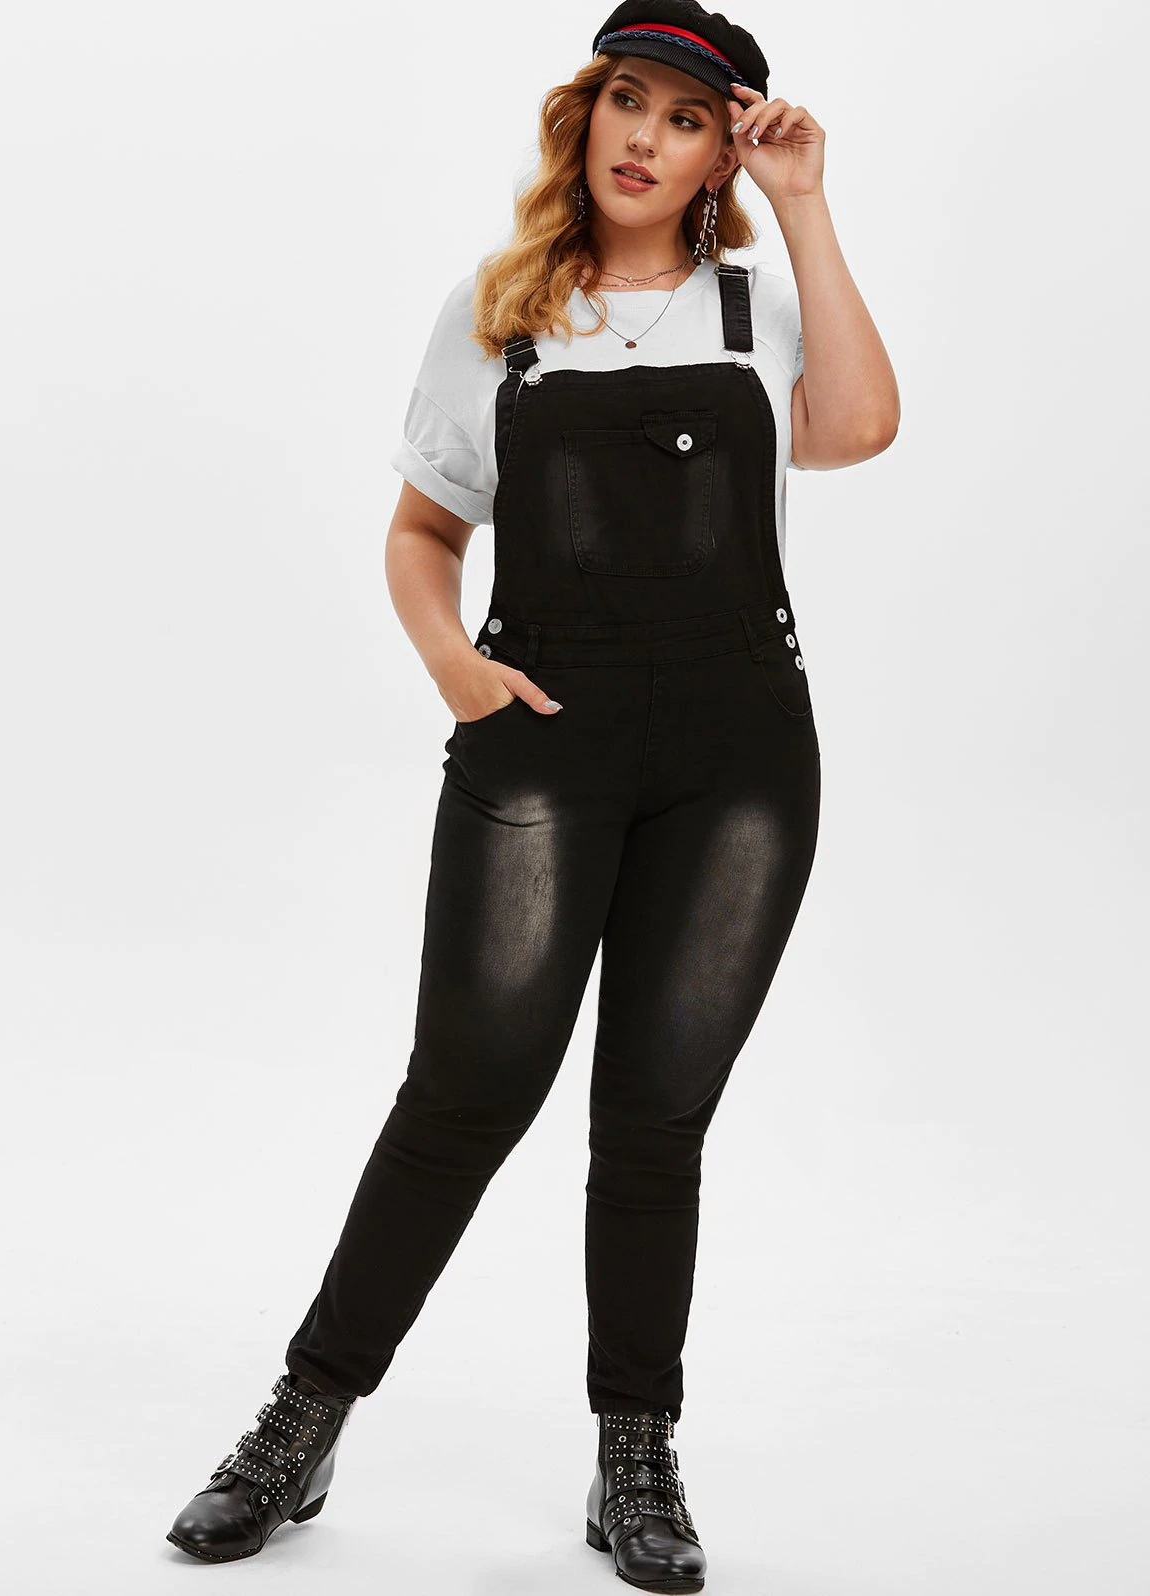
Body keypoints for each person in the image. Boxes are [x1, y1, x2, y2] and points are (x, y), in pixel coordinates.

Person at [165, 1, 900, 1584]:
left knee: (656, 1121)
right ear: (587, 115)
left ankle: (635, 1458)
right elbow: (423, 529)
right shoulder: (499, 309)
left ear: (721, 154)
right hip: (542, 736)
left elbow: (858, 431)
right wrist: (452, 663)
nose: (647, 137)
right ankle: (302, 1419)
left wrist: (806, 207)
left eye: (688, 119)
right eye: (629, 101)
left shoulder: (757, 304)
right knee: (466, 1091)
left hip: (739, 759)